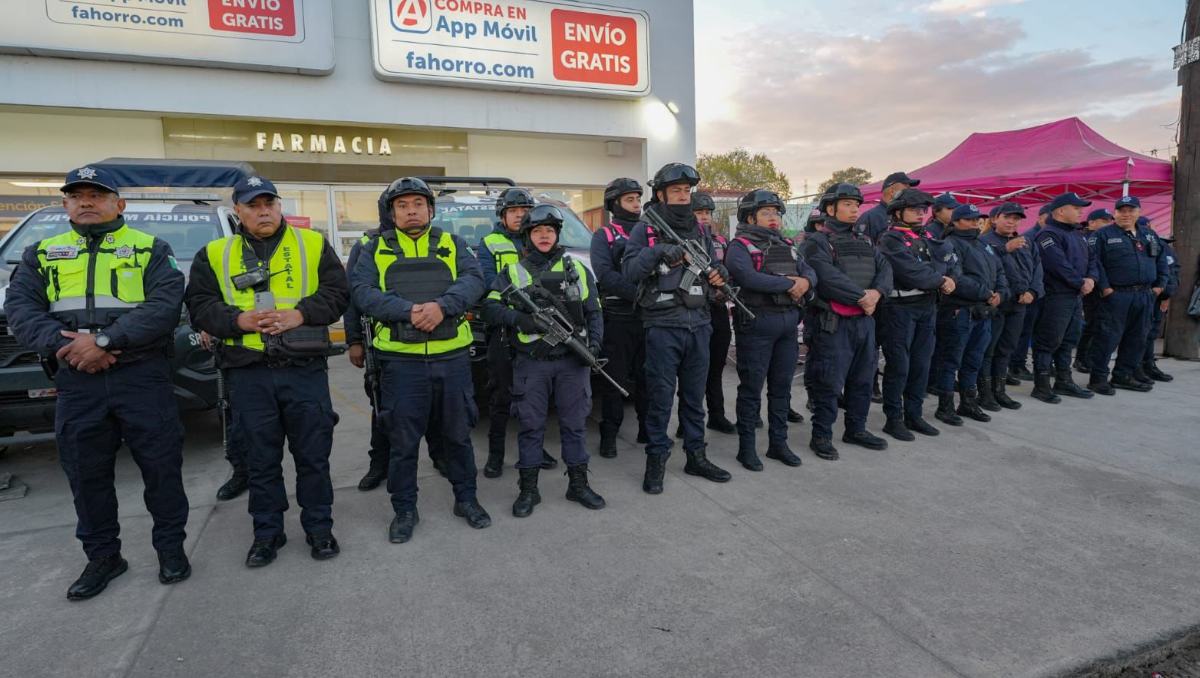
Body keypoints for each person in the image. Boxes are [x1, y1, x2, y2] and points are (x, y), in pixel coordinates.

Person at [5, 166, 190, 599]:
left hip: (141, 377)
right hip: (76, 380)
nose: (86, 202)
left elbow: (164, 307)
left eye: (97, 195)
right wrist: (66, 347)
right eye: (77, 195)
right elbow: (21, 309)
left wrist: (105, 340)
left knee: (162, 470)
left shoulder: (149, 249)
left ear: (118, 205)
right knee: (86, 475)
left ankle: (171, 550)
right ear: (65, 204)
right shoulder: (42, 253)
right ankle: (104, 557)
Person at [187, 175, 347, 567]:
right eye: (253, 205)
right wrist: (238, 320)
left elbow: (338, 293)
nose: (263, 211)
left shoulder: (311, 244)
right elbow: (200, 305)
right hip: (248, 373)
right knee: (260, 459)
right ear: (237, 211)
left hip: (303, 368)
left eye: (270, 204)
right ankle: (266, 534)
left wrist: (301, 313)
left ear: (279, 207)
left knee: (313, 457)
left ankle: (319, 528)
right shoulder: (215, 253)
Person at [351, 177, 491, 544]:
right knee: (403, 442)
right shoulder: (374, 248)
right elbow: (363, 292)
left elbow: (474, 280)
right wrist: (409, 311)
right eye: (402, 205)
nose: (410, 210)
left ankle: (467, 499)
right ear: (391, 212)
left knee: (458, 437)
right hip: (401, 364)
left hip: (452, 360)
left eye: (417, 204)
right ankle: (405, 510)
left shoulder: (451, 242)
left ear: (430, 209)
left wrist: (440, 307)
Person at [482, 204, 606, 516]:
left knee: (575, 425)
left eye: (549, 231)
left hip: (571, 361)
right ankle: (529, 490)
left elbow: (594, 311)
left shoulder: (576, 267)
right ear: (527, 236)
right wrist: (522, 321)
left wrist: (593, 346)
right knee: (531, 426)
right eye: (537, 231)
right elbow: (490, 309)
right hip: (532, 361)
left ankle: (577, 484)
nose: (544, 236)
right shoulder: (513, 271)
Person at [622, 162, 732, 494]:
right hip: (662, 325)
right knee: (659, 399)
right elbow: (629, 270)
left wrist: (719, 275)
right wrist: (659, 252)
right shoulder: (646, 229)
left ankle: (696, 456)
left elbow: (712, 266)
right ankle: (656, 461)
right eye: (676, 191)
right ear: (661, 195)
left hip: (699, 324)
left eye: (687, 191)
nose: (683, 197)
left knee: (694, 398)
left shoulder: (700, 231)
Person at [344, 225, 448, 491]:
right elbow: (355, 296)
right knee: (383, 410)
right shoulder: (369, 243)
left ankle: (440, 455)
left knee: (436, 409)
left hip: (435, 342)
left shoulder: (435, 240)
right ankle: (379, 464)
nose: (409, 211)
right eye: (401, 205)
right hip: (387, 345)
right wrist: (354, 339)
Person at [799, 183, 894, 459]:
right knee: (828, 382)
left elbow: (885, 269)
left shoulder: (865, 240)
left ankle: (856, 428)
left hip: (864, 322)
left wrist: (877, 293)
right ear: (831, 208)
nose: (854, 210)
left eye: (857, 205)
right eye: (848, 205)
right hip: (833, 323)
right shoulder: (817, 241)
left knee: (863, 379)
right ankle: (822, 435)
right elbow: (827, 278)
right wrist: (862, 297)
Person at [725, 189, 817, 469]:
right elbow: (747, 277)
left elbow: (809, 270)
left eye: (776, 212)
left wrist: (806, 283)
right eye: (766, 213)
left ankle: (779, 444)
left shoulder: (787, 244)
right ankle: (746, 448)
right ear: (750, 216)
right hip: (756, 323)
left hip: (788, 324)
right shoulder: (739, 246)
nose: (773, 217)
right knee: (751, 389)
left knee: (781, 389)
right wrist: (791, 284)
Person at [477, 187, 557, 477]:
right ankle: (496, 455)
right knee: (500, 396)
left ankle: (537, 450)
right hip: (504, 327)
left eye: (524, 211)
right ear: (503, 215)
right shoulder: (489, 242)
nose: (520, 216)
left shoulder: (539, 240)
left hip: (537, 330)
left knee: (535, 395)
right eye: (513, 211)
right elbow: (487, 282)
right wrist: (517, 306)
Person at [875, 188, 958, 441]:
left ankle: (914, 414)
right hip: (900, 310)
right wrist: (941, 279)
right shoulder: (891, 239)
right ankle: (894, 418)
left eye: (923, 210)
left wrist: (948, 278)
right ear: (898, 211)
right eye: (914, 210)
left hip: (927, 307)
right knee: (899, 366)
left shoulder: (927, 237)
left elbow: (949, 263)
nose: (921, 214)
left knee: (921, 365)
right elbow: (911, 272)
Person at [932, 204, 1008, 424]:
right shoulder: (949, 244)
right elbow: (956, 277)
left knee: (974, 360)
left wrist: (1001, 293)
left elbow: (999, 270)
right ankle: (945, 408)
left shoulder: (983, 245)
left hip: (982, 311)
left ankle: (968, 403)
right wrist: (986, 293)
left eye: (977, 220)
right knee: (951, 361)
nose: (975, 223)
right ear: (955, 222)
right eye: (969, 220)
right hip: (959, 311)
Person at [591, 178, 650, 458]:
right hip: (617, 318)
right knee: (614, 381)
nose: (636, 204)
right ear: (614, 203)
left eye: (638, 199)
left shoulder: (651, 232)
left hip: (649, 318)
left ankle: (647, 429)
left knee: (648, 378)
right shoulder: (604, 235)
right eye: (630, 200)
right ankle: (610, 433)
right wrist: (637, 295)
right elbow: (605, 275)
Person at [1085, 196, 1169, 395]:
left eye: (1131, 210)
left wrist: (1160, 285)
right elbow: (1094, 262)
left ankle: (1123, 376)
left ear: (1138, 212)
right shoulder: (1102, 235)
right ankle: (1098, 379)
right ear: (1115, 213)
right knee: (1107, 338)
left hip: (1145, 295)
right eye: (1122, 211)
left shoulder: (1149, 235)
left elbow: (1162, 261)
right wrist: (1105, 288)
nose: (1126, 214)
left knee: (1137, 338)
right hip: (1116, 296)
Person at [1029, 193, 1098, 403]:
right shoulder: (1048, 234)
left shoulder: (1078, 234)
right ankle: (1041, 386)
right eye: (1076, 208)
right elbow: (1057, 265)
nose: (1080, 211)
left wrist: (1092, 279)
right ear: (1060, 210)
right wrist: (1081, 282)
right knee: (1049, 340)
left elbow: (1092, 258)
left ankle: (1064, 381)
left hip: (1074, 295)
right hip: (1056, 296)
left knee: (1069, 340)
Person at [979, 202, 1043, 410]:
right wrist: (1004, 249)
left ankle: (1000, 390)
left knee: (1006, 348)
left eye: (1016, 219)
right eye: (1007, 217)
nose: (1011, 222)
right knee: (989, 349)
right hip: (996, 305)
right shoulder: (984, 242)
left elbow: (1037, 269)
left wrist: (1033, 292)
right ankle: (985, 393)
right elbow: (984, 268)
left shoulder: (1026, 242)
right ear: (995, 218)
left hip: (1020, 304)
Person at [689, 192, 738, 433]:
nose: (704, 217)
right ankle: (688, 419)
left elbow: (728, 270)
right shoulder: (685, 241)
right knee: (693, 371)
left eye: (707, 213)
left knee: (716, 367)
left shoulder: (721, 241)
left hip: (718, 310)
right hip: (697, 310)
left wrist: (725, 288)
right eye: (699, 213)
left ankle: (716, 415)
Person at [1009, 204, 1053, 383]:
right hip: (1019, 295)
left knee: (1031, 330)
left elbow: (1037, 268)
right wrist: (1024, 291)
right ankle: (1015, 364)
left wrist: (1034, 290)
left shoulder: (1032, 239)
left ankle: (1020, 363)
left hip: (1036, 292)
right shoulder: (1027, 237)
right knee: (1020, 332)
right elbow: (1014, 269)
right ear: (1041, 217)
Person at [1074, 209, 1115, 373]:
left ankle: (1088, 358)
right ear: (1091, 222)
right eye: (1104, 221)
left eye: (1109, 221)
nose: (1108, 224)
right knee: (1092, 325)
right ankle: (1081, 359)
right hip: (1090, 289)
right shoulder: (1087, 238)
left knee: (1099, 325)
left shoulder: (1102, 237)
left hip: (1101, 287)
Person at [1143, 225, 1181, 382]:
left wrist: (1166, 295)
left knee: (1150, 333)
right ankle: (1133, 368)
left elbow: (1172, 272)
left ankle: (1147, 365)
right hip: (1133, 295)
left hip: (1156, 297)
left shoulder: (1161, 245)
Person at [857, 172, 920, 243]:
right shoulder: (870, 217)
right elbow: (862, 249)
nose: (910, 193)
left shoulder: (907, 215)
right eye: (906, 189)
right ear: (892, 191)